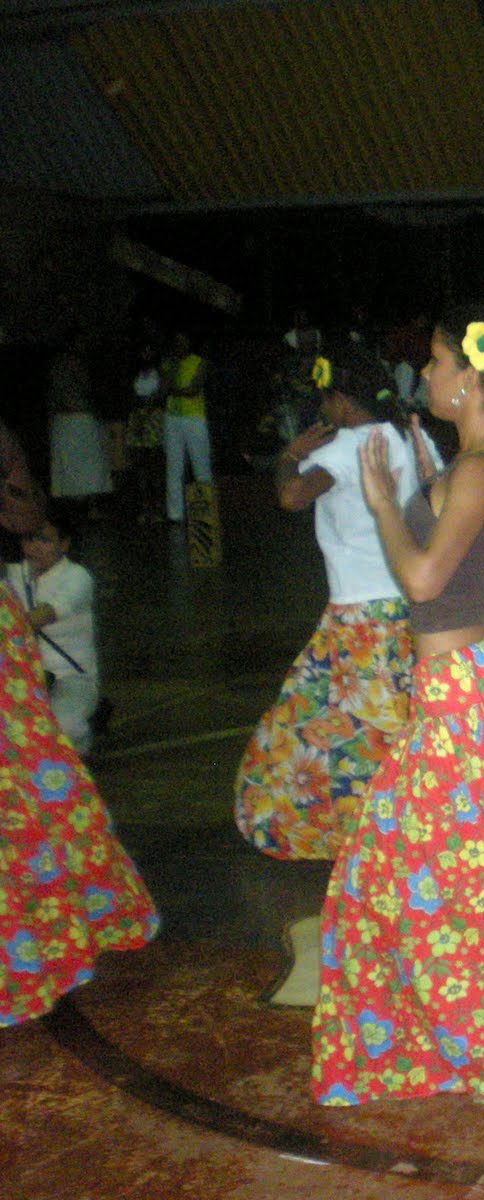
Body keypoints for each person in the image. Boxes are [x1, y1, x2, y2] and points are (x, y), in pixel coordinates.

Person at [311, 302, 484, 1112]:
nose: (424, 375)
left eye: (435, 363)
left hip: (467, 690)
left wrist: (388, 503)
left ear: (471, 376)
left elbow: (425, 580)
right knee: (480, 869)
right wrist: (433, 485)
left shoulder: (480, 466)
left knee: (414, 883)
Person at [234, 345, 437, 861]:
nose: (321, 412)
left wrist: (288, 456)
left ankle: (361, 826)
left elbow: (292, 497)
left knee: (323, 725)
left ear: (342, 401)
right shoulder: (407, 437)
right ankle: (415, 818)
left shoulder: (345, 447)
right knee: (390, 720)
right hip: (410, 607)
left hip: (358, 616)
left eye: (325, 401)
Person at [1, 420, 158, 1027]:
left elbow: (26, 511)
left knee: (49, 758)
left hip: (60, 682)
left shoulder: (71, 578)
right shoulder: (16, 575)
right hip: (28, 680)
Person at [5, 510, 101, 754]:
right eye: (29, 539)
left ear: (65, 544)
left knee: (61, 728)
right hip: (21, 678)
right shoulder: (12, 574)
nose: (35, 548)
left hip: (70, 678)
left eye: (45, 541)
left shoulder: (77, 577)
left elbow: (45, 614)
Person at [47, 330, 111, 515]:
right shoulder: (68, 365)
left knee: (80, 463)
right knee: (79, 463)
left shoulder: (62, 366)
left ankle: (85, 507)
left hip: (75, 418)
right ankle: (84, 507)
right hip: (75, 419)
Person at [161, 331, 213, 523]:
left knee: (201, 465)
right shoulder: (168, 363)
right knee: (173, 466)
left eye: (183, 341)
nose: (179, 346)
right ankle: (175, 514)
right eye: (176, 342)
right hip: (172, 418)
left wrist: (174, 390)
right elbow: (164, 388)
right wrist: (175, 384)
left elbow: (193, 389)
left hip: (194, 418)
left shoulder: (199, 362)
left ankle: (204, 509)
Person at [125, 340, 166, 524]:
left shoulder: (160, 373)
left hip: (153, 418)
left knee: (155, 463)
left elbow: (161, 395)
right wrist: (138, 416)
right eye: (144, 351)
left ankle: (157, 507)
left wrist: (147, 411)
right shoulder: (136, 374)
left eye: (150, 351)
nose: (146, 355)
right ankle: (144, 506)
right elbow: (131, 396)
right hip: (137, 417)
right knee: (140, 464)